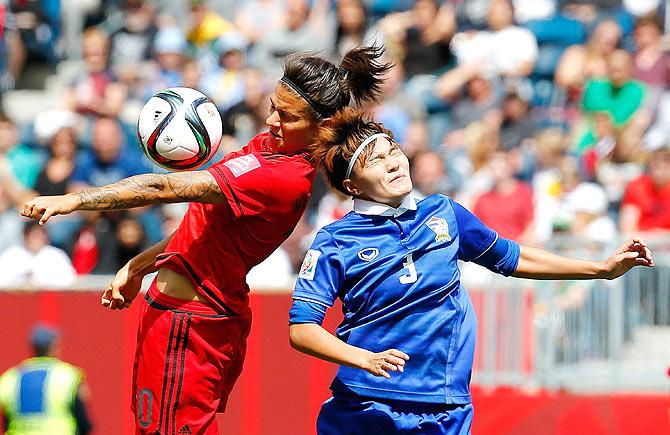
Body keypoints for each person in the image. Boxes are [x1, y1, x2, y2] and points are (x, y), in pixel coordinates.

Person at [20, 46, 391, 434]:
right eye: (272, 107)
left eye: (286, 115)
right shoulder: (271, 150)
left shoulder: (282, 179)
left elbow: (164, 186)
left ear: (323, 126)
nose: (270, 120)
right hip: (187, 318)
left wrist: (74, 199)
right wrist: (137, 266)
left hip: (189, 327)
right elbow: (203, 228)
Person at [288, 108, 654, 434]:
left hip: (444, 406)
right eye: (376, 161)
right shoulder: (335, 240)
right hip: (366, 405)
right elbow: (302, 329)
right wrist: (363, 358)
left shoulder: (444, 212)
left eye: (393, 151)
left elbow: (514, 258)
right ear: (352, 186)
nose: (393, 162)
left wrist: (600, 269)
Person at [0, 324, 92, 434]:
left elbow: (6, 421)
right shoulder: (67, 376)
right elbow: (84, 422)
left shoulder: (10, 378)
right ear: (54, 346)